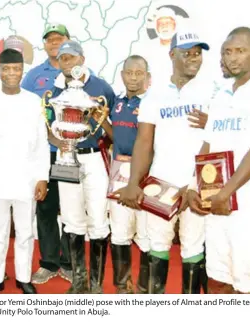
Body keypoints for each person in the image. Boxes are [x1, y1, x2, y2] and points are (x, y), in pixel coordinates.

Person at [117, 28, 212, 294]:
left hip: (197, 184)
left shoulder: (211, 94)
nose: (194, 58)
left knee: (194, 246)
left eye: (197, 54)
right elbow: (144, 142)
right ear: (172, 55)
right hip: (161, 183)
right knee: (157, 245)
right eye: (187, 53)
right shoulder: (154, 96)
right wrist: (134, 182)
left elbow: (215, 141)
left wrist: (193, 184)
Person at [187, 27, 250, 294]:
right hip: (216, 202)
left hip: (249, 206)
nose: (233, 58)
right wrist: (196, 187)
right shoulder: (222, 94)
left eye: (241, 51)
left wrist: (226, 192)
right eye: (228, 52)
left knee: (247, 281)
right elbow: (209, 143)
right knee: (218, 275)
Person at [0, 49, 49, 294]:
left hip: (27, 179)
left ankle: (23, 277)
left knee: (26, 233)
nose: (11, 73)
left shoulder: (32, 101)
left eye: (16, 68)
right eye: (6, 69)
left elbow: (41, 142)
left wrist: (42, 177)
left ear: (22, 70)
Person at [49, 40, 116, 294]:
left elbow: (111, 126)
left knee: (98, 219)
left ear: (82, 58)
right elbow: (49, 127)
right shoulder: (55, 89)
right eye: (62, 58)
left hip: (94, 157)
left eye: (71, 58)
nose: (67, 63)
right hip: (66, 157)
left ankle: (96, 285)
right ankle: (79, 281)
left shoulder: (101, 87)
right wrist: (59, 143)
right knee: (71, 220)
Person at [21, 23, 73, 285]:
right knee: (46, 207)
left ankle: (69, 262)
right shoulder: (33, 76)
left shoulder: (81, 73)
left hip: (71, 154)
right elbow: (24, 111)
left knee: (72, 208)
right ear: (44, 44)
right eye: (50, 39)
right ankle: (50, 262)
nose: (54, 43)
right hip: (45, 154)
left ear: (68, 41)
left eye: (59, 38)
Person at [105, 55, 151, 294]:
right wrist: (102, 121)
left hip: (145, 178)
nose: (133, 78)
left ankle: (143, 289)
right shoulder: (118, 102)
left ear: (147, 77)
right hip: (119, 175)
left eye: (139, 73)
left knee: (145, 234)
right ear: (122, 75)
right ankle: (122, 286)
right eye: (129, 73)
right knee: (120, 232)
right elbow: (117, 137)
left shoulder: (153, 104)